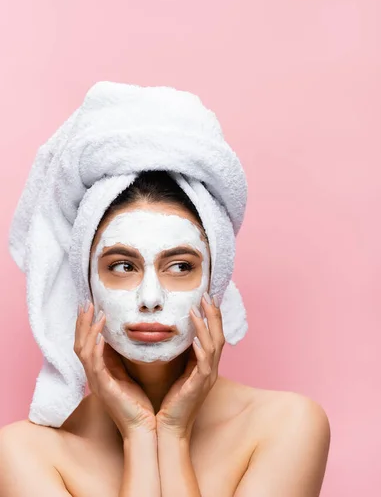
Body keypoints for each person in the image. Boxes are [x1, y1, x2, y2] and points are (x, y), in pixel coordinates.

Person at [0, 169, 330, 496]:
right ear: (86, 286)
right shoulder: (25, 454)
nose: (150, 299)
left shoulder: (287, 426)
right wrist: (138, 433)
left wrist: (174, 434)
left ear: (215, 283)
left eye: (180, 266)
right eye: (122, 266)